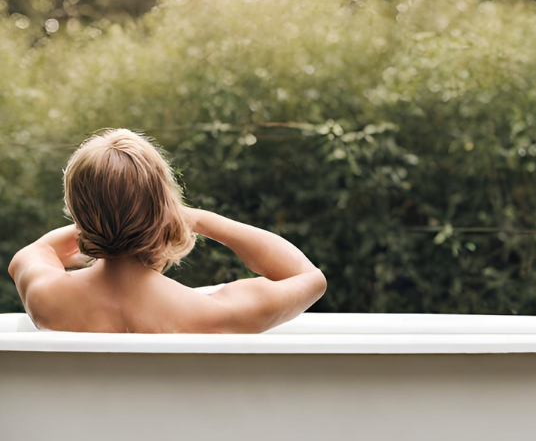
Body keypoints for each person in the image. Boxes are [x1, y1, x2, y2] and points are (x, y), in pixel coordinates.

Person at [7, 128, 327, 333]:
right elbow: (310, 278)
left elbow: (36, 251)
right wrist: (197, 218)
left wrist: (102, 218)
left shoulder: (45, 295)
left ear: (79, 212)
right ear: (164, 210)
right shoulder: (211, 312)